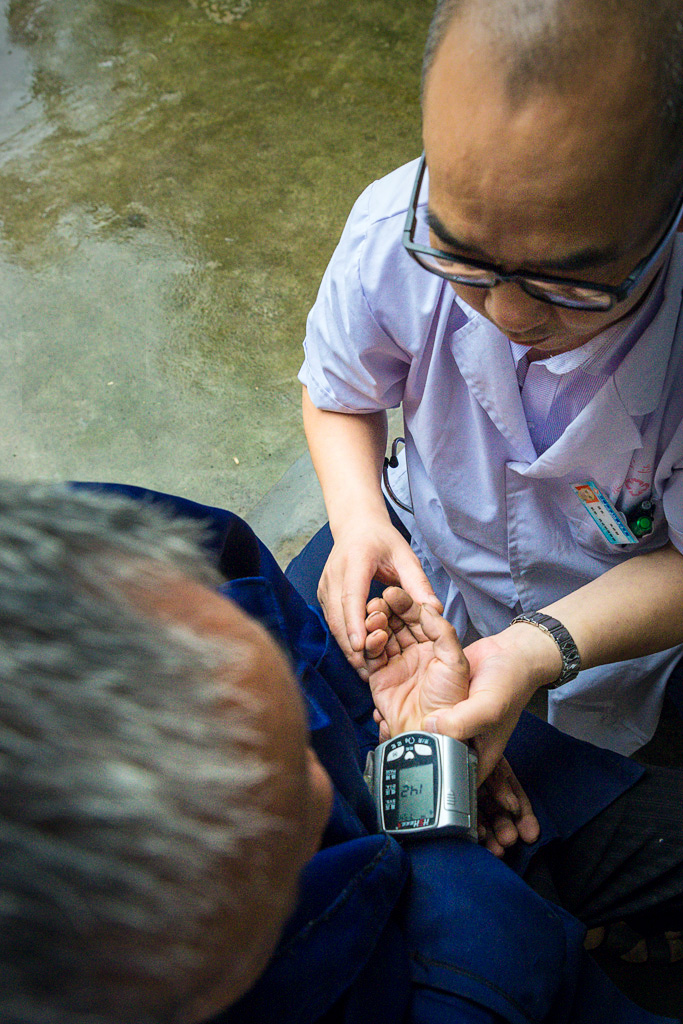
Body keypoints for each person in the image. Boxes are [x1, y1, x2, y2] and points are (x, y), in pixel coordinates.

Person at [1, 478, 682, 1024]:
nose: (332, 787)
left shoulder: (100, 552)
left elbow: (262, 591)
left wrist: (417, 735)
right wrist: (434, 817)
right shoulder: (459, 989)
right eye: (285, 813)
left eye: (294, 733)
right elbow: (485, 958)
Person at [298, 0, 683, 776]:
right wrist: (358, 519)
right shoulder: (391, 231)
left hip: (632, 629)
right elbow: (340, 394)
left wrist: (538, 647)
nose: (507, 314)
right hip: (427, 545)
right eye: (461, 255)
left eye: (569, 282)